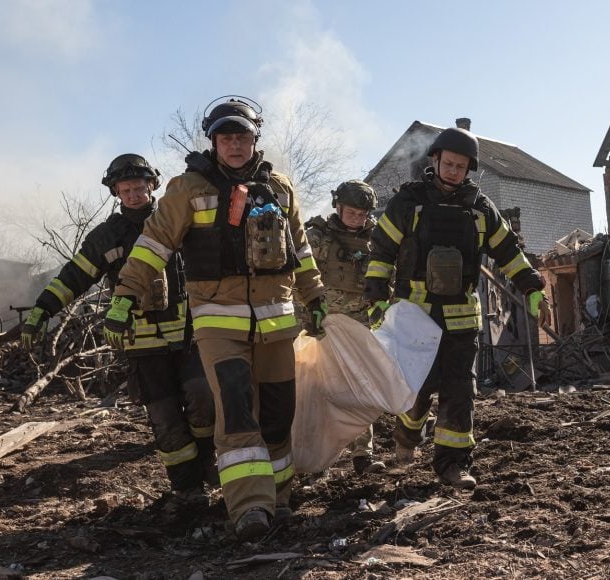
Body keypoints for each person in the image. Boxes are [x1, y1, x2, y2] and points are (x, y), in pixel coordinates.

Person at [108, 97, 327, 541]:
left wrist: (316, 297)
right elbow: (153, 246)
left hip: (277, 323)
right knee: (236, 409)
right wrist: (125, 297)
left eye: (242, 136)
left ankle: (280, 498)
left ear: (254, 139)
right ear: (213, 141)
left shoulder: (280, 188)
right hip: (218, 324)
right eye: (226, 137)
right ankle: (249, 507)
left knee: (278, 415)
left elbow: (301, 251)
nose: (234, 144)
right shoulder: (188, 188)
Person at [22, 154, 217, 500]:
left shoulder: (177, 218)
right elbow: (74, 276)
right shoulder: (107, 236)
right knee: (165, 418)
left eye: (139, 188)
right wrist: (42, 309)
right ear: (115, 192)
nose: (133, 195)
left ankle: (209, 464)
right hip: (143, 344)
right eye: (125, 190)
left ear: (152, 186)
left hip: (190, 336)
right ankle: (188, 490)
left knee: (203, 399)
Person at [364, 127, 548, 490]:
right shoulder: (408, 203)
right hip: (416, 316)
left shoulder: (480, 209)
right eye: (448, 163)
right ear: (435, 161)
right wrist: (376, 296)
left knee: (459, 391)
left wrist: (531, 285)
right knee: (417, 389)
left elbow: (508, 252)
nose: (453, 171)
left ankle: (453, 464)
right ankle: (407, 434)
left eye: (460, 166)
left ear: (469, 169)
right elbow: (382, 250)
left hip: (462, 319)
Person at [302, 180, 387, 475]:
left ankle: (363, 453)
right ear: (338, 207)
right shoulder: (316, 237)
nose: (357, 219)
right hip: (322, 323)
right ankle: (320, 459)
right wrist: (307, 319)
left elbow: (389, 276)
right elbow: (300, 280)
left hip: (360, 324)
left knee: (361, 387)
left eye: (363, 214)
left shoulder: (377, 242)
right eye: (352, 212)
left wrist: (381, 305)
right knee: (319, 391)